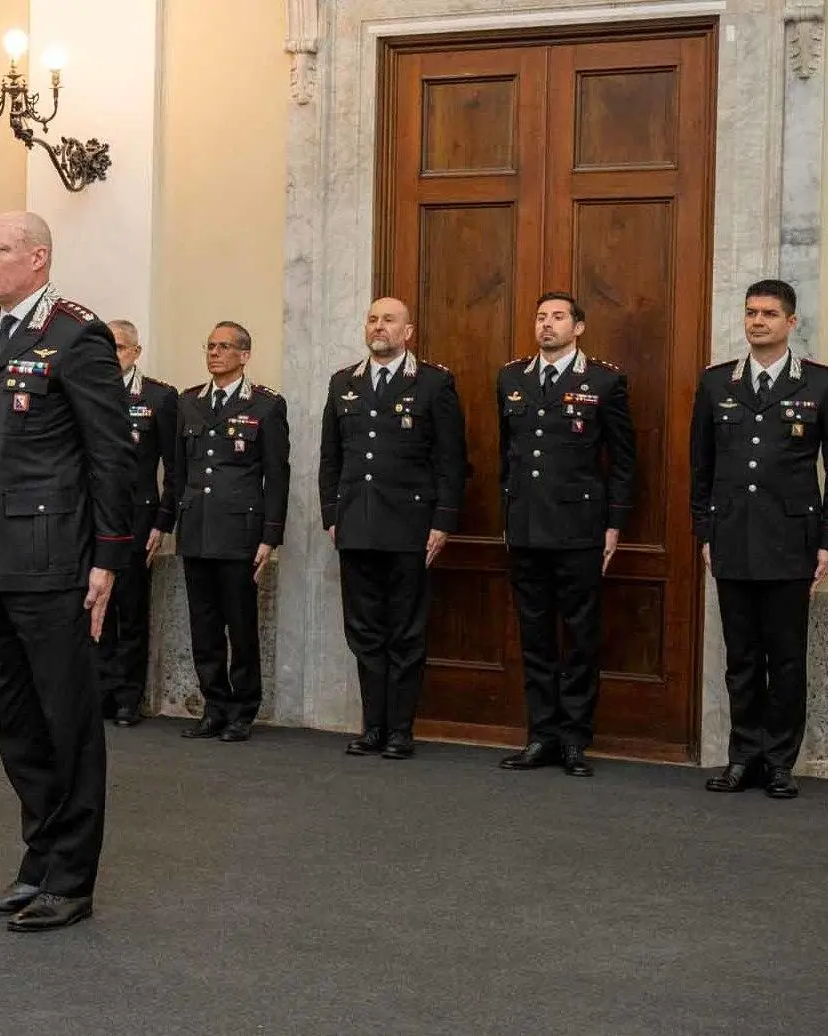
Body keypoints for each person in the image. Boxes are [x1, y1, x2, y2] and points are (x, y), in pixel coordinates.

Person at [0, 211, 135, 933]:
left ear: (37, 258)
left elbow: (111, 454)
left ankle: (72, 880)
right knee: (19, 724)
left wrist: (108, 558)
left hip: (55, 560)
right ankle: (36, 866)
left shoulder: (76, 333)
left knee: (67, 723)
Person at [692, 279, 828, 799]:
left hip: (791, 541)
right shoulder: (717, 384)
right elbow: (702, 467)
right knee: (741, 657)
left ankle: (780, 761)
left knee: (784, 658)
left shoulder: (822, 385)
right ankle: (744, 757)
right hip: (733, 538)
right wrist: (705, 531)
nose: (757, 321)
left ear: (791, 323)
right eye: (751, 312)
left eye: (769, 314)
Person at [319, 298, 466, 759]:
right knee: (364, 630)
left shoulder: (433, 382)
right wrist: (332, 514)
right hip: (357, 524)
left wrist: (442, 522)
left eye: (389, 320)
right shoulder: (344, 382)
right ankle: (373, 727)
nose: (378, 326)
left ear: (409, 332)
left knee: (404, 631)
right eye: (372, 319)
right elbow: (331, 457)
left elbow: (451, 461)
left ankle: (400, 730)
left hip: (410, 526)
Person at [497, 292, 635, 778]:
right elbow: (506, 454)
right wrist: (508, 512)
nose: (546, 325)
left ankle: (575, 738)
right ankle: (541, 735)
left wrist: (614, 524)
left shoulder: (603, 379)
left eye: (557, 317)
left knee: (579, 637)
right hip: (527, 528)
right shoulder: (511, 377)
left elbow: (622, 460)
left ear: (578, 328)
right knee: (535, 637)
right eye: (540, 317)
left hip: (580, 529)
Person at [173, 321, 290, 744]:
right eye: (210, 346)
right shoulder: (188, 403)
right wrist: (170, 523)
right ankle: (214, 706)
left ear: (244, 356)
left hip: (239, 534)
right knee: (203, 628)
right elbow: (178, 472)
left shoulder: (265, 406)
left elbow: (277, 475)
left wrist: (269, 535)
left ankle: (243, 710)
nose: (215, 353)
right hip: (197, 530)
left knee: (240, 628)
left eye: (225, 347)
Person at [92, 319, 179, 727]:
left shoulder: (158, 398)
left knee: (129, 608)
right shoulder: (88, 391)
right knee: (95, 606)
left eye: (121, 348)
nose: (113, 356)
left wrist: (163, 520)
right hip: (92, 518)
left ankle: (128, 695)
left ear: (136, 352)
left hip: (136, 520)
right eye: (106, 348)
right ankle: (100, 690)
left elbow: (174, 470)